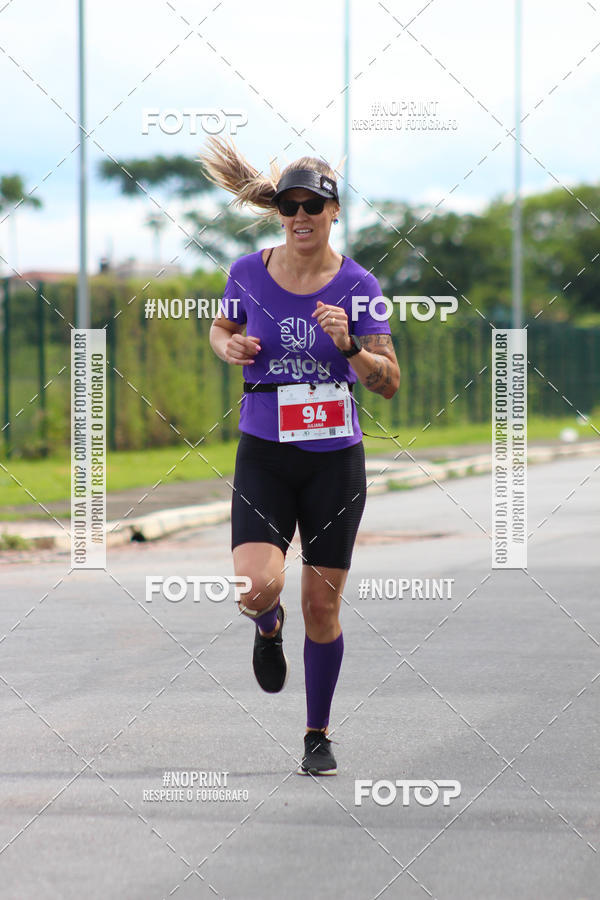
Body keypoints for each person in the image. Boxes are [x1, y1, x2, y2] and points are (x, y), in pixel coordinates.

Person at [199, 137, 400, 775]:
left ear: (334, 211)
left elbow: (388, 381)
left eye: (313, 205)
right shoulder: (246, 272)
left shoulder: (360, 286)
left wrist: (351, 348)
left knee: (323, 606)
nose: (301, 216)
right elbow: (223, 327)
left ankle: (317, 734)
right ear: (279, 211)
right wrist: (223, 347)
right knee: (256, 587)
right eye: (291, 205)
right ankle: (266, 625)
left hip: (333, 462)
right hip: (264, 451)